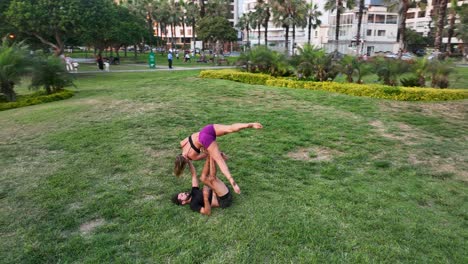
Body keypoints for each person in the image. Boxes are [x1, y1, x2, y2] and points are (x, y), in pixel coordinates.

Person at [174, 123, 263, 194]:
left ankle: (233, 183)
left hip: (204, 139)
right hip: (206, 129)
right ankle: (249, 124)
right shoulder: (183, 143)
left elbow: (208, 154)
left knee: (219, 160)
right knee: (230, 128)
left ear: (185, 163)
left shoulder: (192, 156)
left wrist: (219, 154)